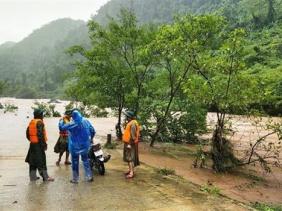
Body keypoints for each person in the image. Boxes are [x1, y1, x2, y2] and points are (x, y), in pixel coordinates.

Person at [60, 110, 95, 183]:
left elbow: (61, 127)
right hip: (85, 145)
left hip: (74, 147)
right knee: (86, 160)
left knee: (75, 162)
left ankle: (75, 179)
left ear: (73, 116)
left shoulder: (72, 124)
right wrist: (90, 139)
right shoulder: (86, 120)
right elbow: (93, 131)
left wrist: (62, 120)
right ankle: (89, 176)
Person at [25, 109, 54, 182]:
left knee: (32, 161)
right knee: (41, 161)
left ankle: (32, 177)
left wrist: (32, 140)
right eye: (42, 114)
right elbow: (40, 135)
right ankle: (45, 177)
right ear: (40, 115)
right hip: (38, 145)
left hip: (32, 145)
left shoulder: (31, 122)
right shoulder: (40, 123)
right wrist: (44, 145)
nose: (43, 116)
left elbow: (27, 134)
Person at [122, 110, 140, 179]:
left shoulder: (132, 124)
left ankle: (131, 173)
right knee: (128, 157)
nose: (126, 117)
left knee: (130, 158)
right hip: (128, 143)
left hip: (130, 143)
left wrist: (129, 144)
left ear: (129, 117)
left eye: (126, 116)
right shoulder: (130, 123)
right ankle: (130, 170)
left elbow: (133, 136)